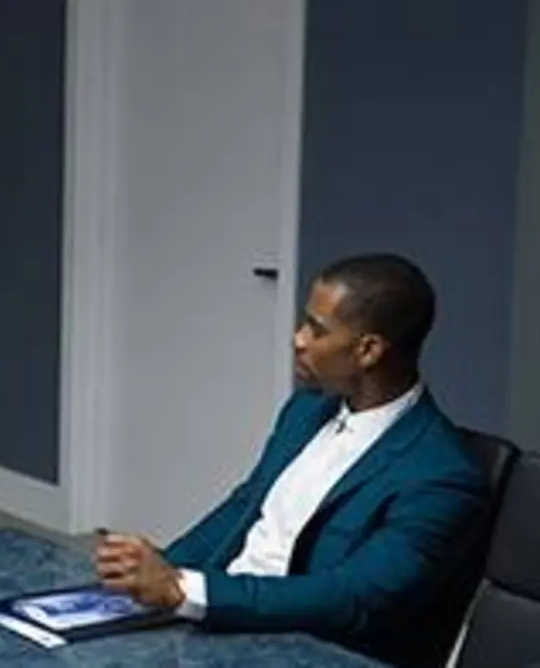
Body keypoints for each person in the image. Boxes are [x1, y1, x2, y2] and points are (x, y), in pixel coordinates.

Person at [94, 254, 487, 666]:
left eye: (316, 329)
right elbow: (246, 505)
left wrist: (183, 589)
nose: (298, 340)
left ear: (368, 350)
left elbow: (354, 597)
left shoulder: (442, 476)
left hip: (305, 649)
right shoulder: (306, 410)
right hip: (222, 620)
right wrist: (157, 573)